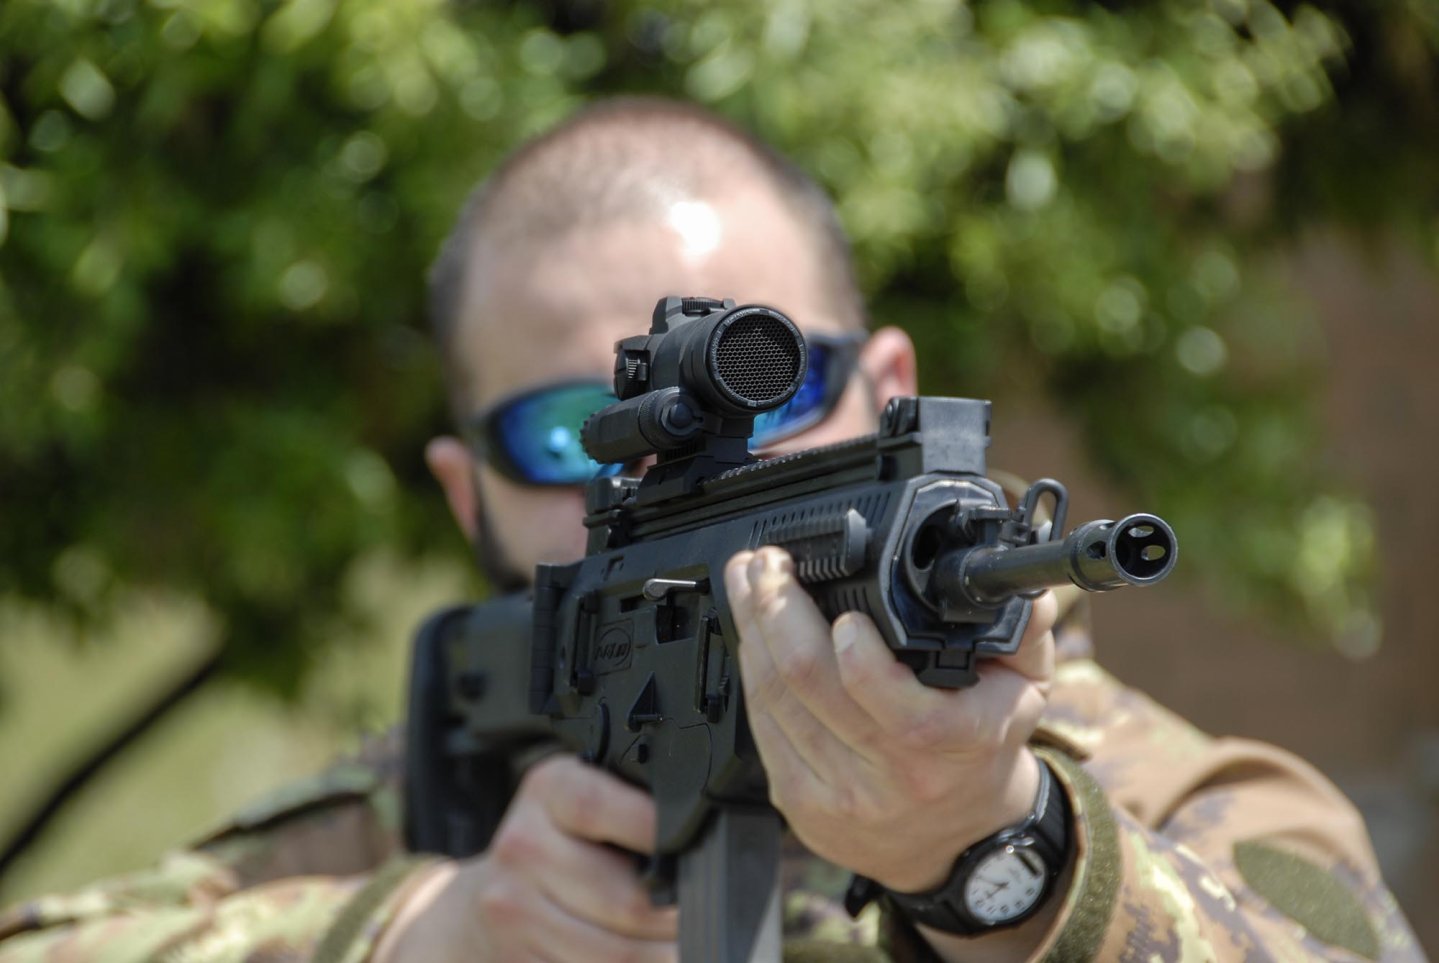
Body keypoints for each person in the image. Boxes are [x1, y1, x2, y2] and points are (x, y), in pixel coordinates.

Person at [0, 97, 1423, 963]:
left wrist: (1001, 861)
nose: (682, 459)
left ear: (890, 392)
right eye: (567, 430)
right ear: (465, 493)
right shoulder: (434, 811)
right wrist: (428, 934)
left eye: (779, 384)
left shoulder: (1145, 791)